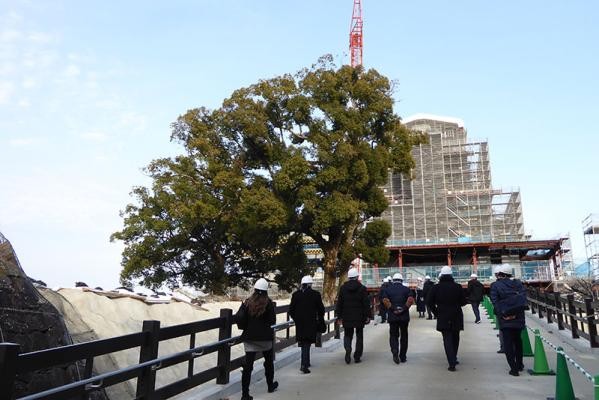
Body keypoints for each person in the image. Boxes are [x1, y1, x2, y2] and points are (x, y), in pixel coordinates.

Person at [235, 278, 278, 400]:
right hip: (265, 339)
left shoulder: (248, 302)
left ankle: (245, 394)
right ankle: (270, 385)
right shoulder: (268, 303)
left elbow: (241, 319)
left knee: (248, 367)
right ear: (265, 291)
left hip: (250, 338)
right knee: (268, 363)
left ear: (255, 289)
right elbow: (272, 320)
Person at [427, 266, 467, 371]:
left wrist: (436, 313)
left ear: (441, 275)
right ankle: (454, 357)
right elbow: (463, 302)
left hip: (443, 315)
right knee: (456, 337)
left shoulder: (436, 287)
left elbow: (429, 302)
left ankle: (451, 362)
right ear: (451, 275)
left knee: (447, 338)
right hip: (456, 315)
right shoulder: (458, 287)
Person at [490, 264, 527, 376]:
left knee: (508, 343)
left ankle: (513, 369)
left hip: (505, 316)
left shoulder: (496, 285)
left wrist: (503, 314)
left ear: (501, 273)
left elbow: (495, 302)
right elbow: (523, 299)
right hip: (519, 316)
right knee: (518, 340)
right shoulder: (518, 284)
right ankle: (520, 364)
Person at [289, 275, 325, 374]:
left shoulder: (296, 295)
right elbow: (321, 309)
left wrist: (296, 319)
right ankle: (304, 364)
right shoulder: (315, 294)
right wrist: (319, 318)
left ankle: (306, 362)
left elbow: (291, 310)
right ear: (310, 284)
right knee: (307, 342)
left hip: (300, 322)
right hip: (311, 321)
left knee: (303, 341)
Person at [336, 267, 371, 364]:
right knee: (359, 336)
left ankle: (348, 348)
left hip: (347, 315)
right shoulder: (362, 288)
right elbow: (366, 303)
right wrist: (368, 315)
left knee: (348, 334)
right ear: (357, 276)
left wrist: (339, 316)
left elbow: (340, 304)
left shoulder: (343, 288)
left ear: (349, 277)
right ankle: (357, 356)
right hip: (359, 316)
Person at [380, 273, 414, 363]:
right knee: (404, 336)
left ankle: (395, 350)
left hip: (393, 316)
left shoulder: (387, 290)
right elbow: (410, 300)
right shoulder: (407, 290)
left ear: (393, 280)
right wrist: (403, 309)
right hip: (404, 317)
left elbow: (385, 300)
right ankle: (403, 356)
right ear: (401, 280)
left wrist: (392, 308)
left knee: (393, 335)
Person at [489, 265, 506, 354]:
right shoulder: (516, 283)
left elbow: (493, 299)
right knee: (515, 331)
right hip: (515, 311)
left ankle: (503, 347)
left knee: (502, 329)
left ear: (496, 275)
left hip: (500, 311)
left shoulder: (494, 285)